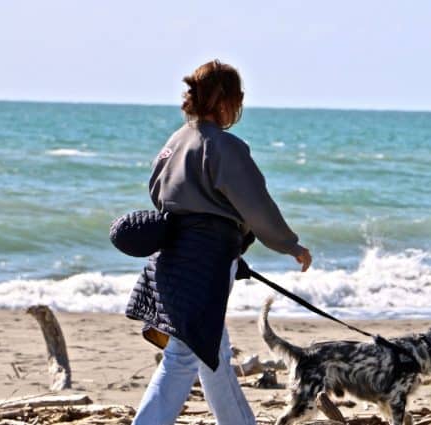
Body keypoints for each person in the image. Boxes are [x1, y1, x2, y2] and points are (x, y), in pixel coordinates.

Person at [126, 60, 312, 425]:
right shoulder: (223, 146)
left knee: (212, 353)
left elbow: (157, 192)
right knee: (184, 356)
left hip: (171, 256)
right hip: (205, 263)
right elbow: (255, 205)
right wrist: (289, 244)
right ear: (226, 100)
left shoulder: (174, 143)